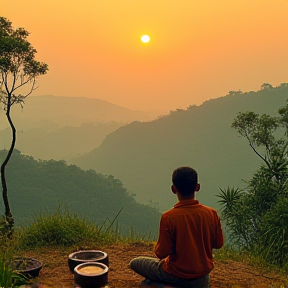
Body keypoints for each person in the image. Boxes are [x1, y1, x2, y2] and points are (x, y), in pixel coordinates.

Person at [129, 166, 224, 288]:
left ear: (173, 189)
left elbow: (161, 253)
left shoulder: (169, 217)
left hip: (176, 274)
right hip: (202, 276)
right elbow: (218, 244)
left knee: (136, 263)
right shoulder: (212, 214)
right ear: (197, 187)